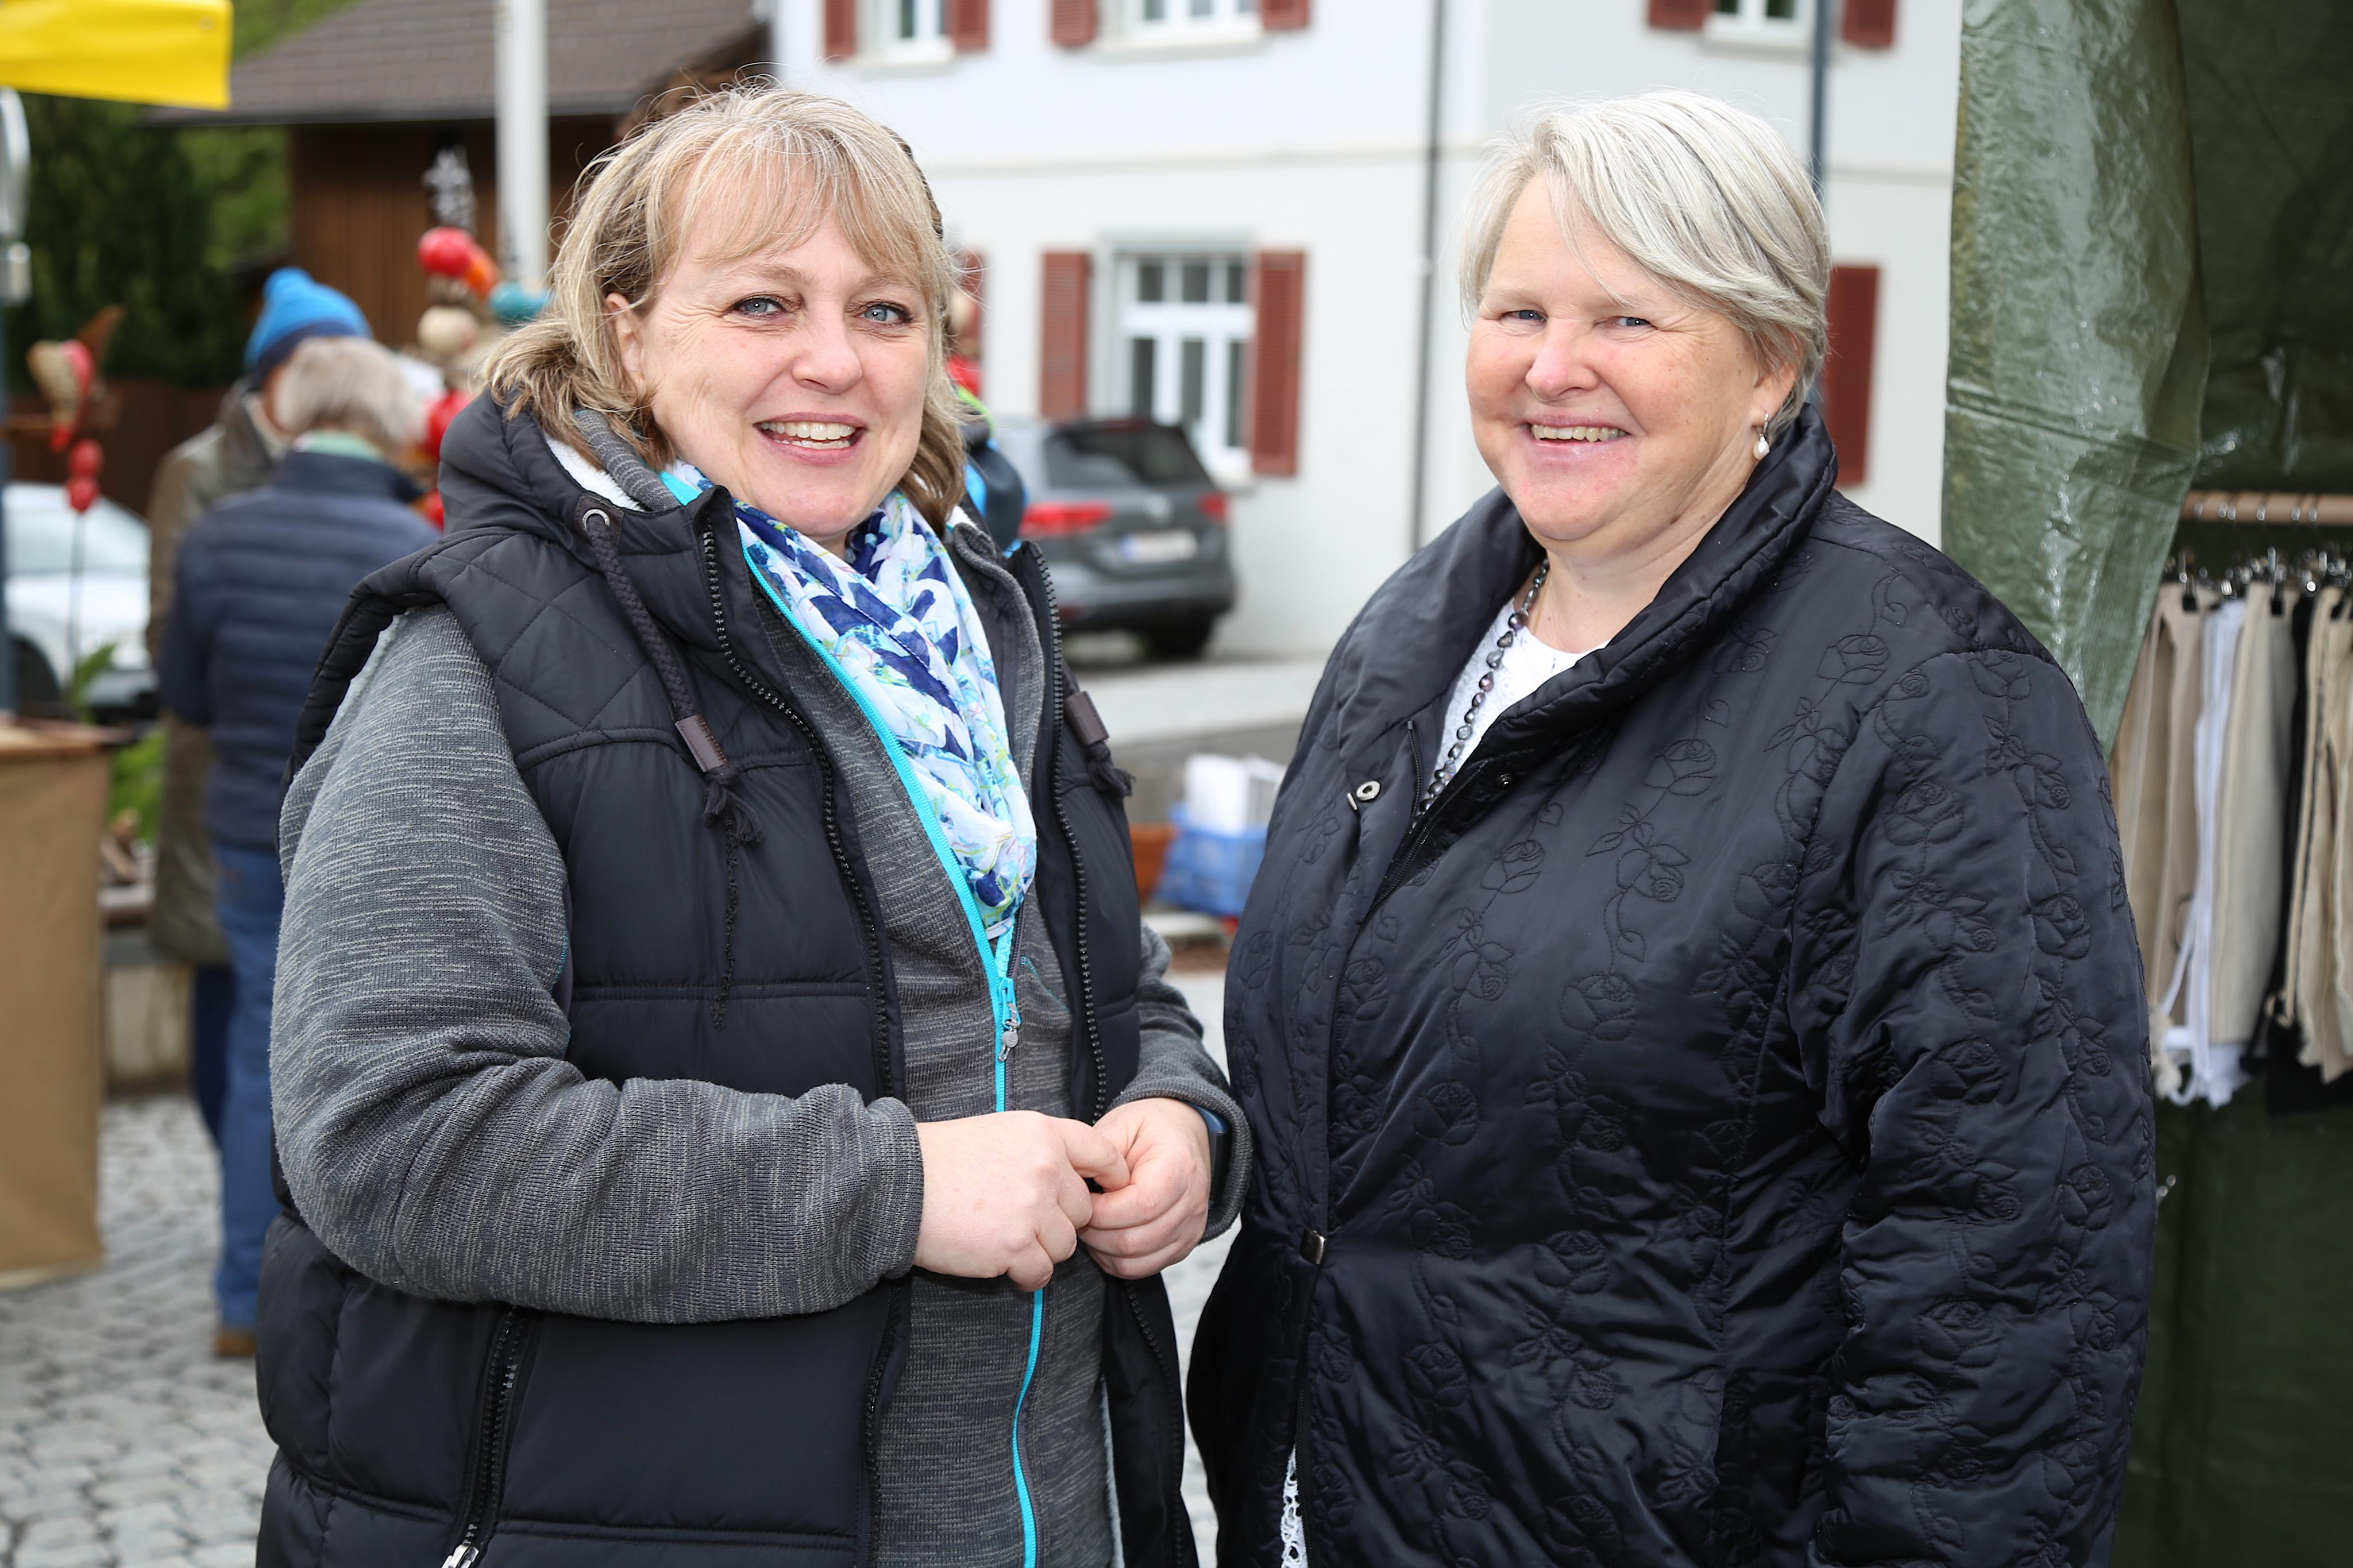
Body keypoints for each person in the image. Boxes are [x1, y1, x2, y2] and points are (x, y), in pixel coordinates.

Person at [257, 88, 1247, 1568]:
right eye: (761, 304)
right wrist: (896, 1191)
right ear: (627, 336)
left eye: (885, 310)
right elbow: (390, 1139)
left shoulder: (981, 639)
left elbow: (1116, 993)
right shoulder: (476, 665)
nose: (834, 361)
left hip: (1044, 1516)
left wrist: (1182, 1121)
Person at [1191, 92, 2153, 1566]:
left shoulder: (1930, 700)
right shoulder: (1409, 635)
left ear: (1770, 359)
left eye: (1627, 320)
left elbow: (2012, 1273)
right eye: (1517, 310)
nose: (1551, 367)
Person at [156, 334, 438, 1358]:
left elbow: (184, 695)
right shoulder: (411, 541)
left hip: (244, 829)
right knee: (365, 1065)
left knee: (256, 1060)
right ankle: (344, 1309)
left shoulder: (218, 534)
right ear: (387, 421)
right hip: (369, 840)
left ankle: (244, 1299)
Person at [145, 267, 370, 1145]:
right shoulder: (198, 473)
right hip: (230, 774)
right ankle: (240, 1172)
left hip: (326, 776)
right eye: (324, 359)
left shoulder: (361, 469)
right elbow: (172, 636)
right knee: (229, 993)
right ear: (277, 372)